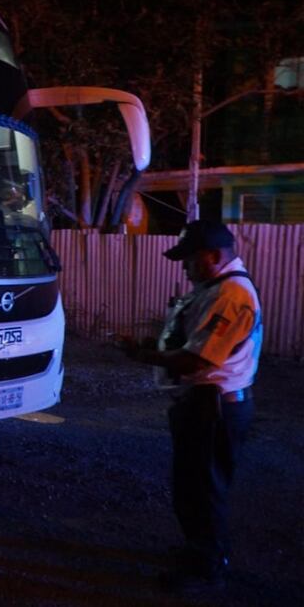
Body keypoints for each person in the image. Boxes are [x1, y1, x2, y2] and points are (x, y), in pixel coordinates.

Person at [118, 219, 262, 593]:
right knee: (193, 484)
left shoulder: (231, 295)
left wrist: (144, 355)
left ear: (214, 256)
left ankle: (207, 567)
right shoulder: (217, 288)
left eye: (190, 259)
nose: (185, 267)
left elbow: (199, 361)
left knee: (203, 487)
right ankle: (198, 550)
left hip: (214, 405)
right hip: (206, 402)